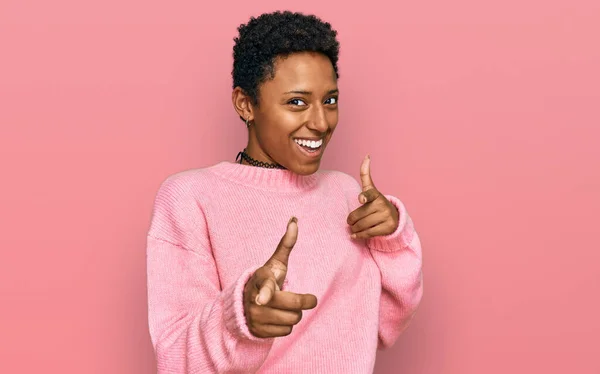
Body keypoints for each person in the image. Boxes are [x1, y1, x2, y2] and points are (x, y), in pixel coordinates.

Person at [146, 10, 423, 373]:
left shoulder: (347, 194)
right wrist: (240, 318)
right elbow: (176, 356)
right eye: (297, 102)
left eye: (330, 100)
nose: (321, 122)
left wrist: (392, 238)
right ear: (246, 104)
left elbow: (383, 326)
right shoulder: (189, 197)